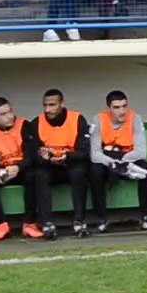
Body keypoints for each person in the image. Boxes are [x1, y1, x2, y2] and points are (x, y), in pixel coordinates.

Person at [29, 89, 91, 239]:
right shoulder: (37, 123)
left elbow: (83, 151)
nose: (47, 109)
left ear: (62, 104)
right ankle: (47, 223)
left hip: (71, 163)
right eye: (45, 105)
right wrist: (44, 157)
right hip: (49, 166)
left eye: (52, 105)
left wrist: (66, 157)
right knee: (40, 174)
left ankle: (79, 221)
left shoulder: (77, 119)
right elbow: (33, 152)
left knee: (79, 173)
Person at [89, 90, 147, 231]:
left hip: (128, 159)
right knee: (95, 170)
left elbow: (142, 151)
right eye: (117, 107)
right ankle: (101, 219)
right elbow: (94, 154)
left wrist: (123, 162)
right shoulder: (98, 119)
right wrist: (112, 163)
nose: (122, 111)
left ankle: (145, 217)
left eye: (124, 106)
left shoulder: (135, 118)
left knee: (146, 170)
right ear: (109, 109)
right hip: (107, 160)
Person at [0, 97, 42, 240]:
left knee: (34, 175)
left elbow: (31, 155)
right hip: (3, 170)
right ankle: (1, 224)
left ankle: (30, 223)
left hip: (21, 168)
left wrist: (18, 168)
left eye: (10, 111)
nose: (9, 116)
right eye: (3, 114)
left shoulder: (23, 125)